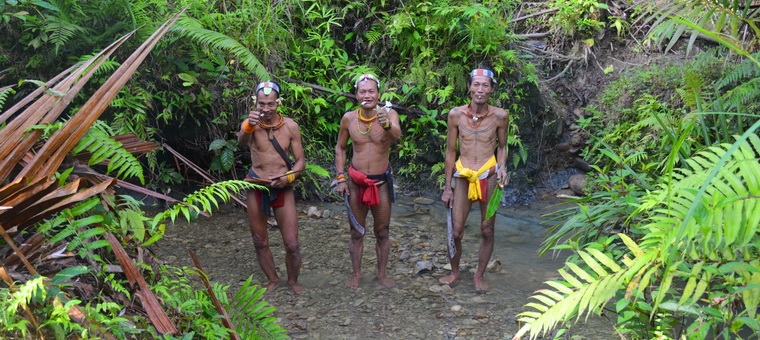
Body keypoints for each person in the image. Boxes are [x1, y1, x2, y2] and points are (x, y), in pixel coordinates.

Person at [440, 68, 509, 292]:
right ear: (469, 87)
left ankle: (479, 276)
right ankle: (455, 271)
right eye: (476, 85)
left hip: (488, 175)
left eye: (485, 85)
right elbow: (451, 151)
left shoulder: (500, 116)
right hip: (463, 176)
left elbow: (502, 147)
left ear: (492, 89)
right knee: (456, 231)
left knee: (487, 229)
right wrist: (447, 186)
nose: (480, 90)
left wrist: (502, 168)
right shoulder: (455, 115)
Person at [238, 81, 306, 294]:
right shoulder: (250, 124)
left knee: (292, 244)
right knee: (259, 240)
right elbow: (241, 142)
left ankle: (293, 282)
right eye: (261, 104)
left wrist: (288, 177)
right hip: (257, 184)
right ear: (255, 103)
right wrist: (249, 124)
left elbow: (301, 162)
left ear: (278, 103)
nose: (266, 109)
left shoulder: (290, 126)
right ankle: (273, 279)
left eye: (270, 104)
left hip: (282, 187)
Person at [334, 73, 401, 289]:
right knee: (356, 232)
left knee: (382, 231)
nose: (367, 95)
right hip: (356, 183)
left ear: (379, 94)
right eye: (362, 91)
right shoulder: (349, 118)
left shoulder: (389, 114)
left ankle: (381, 275)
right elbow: (341, 148)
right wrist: (340, 177)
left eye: (371, 91)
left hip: (380, 183)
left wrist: (388, 125)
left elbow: (398, 137)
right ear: (356, 95)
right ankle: (356, 275)